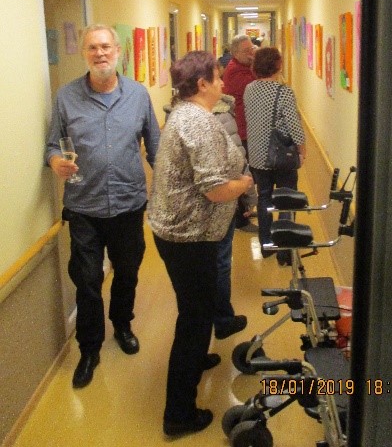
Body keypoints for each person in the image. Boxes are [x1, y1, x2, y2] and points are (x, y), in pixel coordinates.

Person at [45, 24, 160, 389]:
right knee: (88, 280)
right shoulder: (66, 97)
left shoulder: (138, 95)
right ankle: (89, 349)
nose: (100, 53)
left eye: (106, 46)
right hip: (84, 207)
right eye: (93, 47)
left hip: (128, 204)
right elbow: (52, 145)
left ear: (118, 51)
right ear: (84, 53)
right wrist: (55, 162)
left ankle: (122, 325)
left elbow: (156, 148)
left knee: (127, 271)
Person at [148, 51, 253, 437]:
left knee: (196, 310)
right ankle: (178, 415)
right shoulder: (198, 121)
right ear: (202, 83)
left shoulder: (183, 113)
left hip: (178, 234)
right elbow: (214, 190)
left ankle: (195, 359)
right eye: (218, 77)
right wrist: (243, 184)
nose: (224, 83)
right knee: (193, 319)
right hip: (189, 237)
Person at [244, 47, 306, 260]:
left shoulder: (249, 89)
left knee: (264, 198)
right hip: (281, 156)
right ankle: (285, 249)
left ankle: (267, 245)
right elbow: (294, 126)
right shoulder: (283, 92)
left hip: (257, 156)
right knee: (287, 200)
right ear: (277, 66)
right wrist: (302, 150)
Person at [212, 93, 256, 339]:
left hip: (190, 214)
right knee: (220, 262)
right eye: (216, 79)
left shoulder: (176, 116)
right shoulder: (221, 115)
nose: (222, 84)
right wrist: (249, 197)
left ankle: (206, 322)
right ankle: (222, 320)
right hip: (221, 204)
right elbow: (239, 162)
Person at [222, 34, 258, 232]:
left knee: (246, 172)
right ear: (235, 53)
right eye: (247, 51)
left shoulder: (243, 67)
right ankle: (240, 220)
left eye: (252, 48)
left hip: (244, 129)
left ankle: (246, 210)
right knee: (241, 172)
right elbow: (256, 85)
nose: (251, 53)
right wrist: (257, 63)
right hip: (239, 130)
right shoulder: (235, 71)